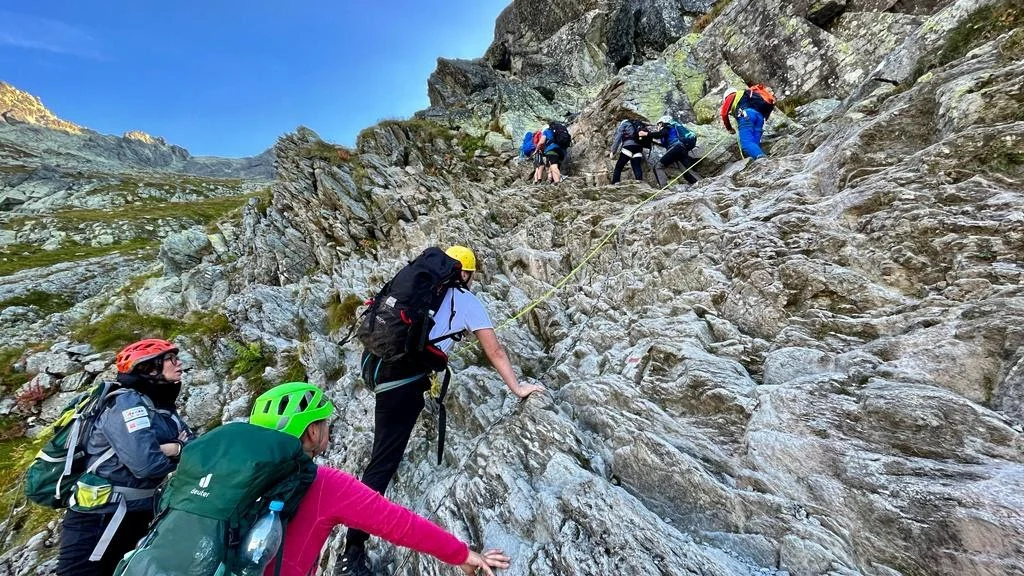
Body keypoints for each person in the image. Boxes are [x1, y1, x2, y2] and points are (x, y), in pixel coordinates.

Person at [343, 245, 543, 575]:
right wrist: (518, 388)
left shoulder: (419, 290)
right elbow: (495, 351)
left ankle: (355, 537)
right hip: (400, 382)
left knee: (388, 445)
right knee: (384, 461)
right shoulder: (467, 302)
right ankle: (353, 549)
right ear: (463, 273)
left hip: (375, 362)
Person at [249, 382, 512, 576]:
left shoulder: (239, 479)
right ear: (312, 432)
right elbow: (399, 524)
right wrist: (462, 554)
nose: (329, 427)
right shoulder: (325, 485)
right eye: (325, 422)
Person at [57, 338, 194, 576]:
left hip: (134, 513)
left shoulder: (160, 407)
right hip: (99, 518)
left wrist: (173, 448)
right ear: (149, 368)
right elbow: (147, 464)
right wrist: (174, 448)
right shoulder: (126, 403)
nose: (179, 363)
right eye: (171, 359)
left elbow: (191, 445)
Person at [720, 82, 776, 160]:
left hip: (747, 116)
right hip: (759, 118)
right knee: (754, 143)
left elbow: (723, 114)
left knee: (747, 143)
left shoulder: (731, 96)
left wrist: (729, 128)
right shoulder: (747, 95)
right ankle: (759, 160)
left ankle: (762, 159)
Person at [647, 115, 700, 186]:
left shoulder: (667, 126)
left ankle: (664, 188)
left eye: (659, 124)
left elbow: (660, 134)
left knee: (658, 166)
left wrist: (647, 134)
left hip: (676, 147)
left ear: (663, 122)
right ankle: (701, 182)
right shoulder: (674, 127)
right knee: (687, 171)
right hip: (682, 148)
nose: (658, 127)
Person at [608, 118, 651, 184]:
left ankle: (615, 183)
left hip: (628, 147)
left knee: (619, 167)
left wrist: (613, 151)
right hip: (638, 148)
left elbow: (618, 137)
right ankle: (640, 184)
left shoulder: (624, 124)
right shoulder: (638, 126)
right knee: (636, 167)